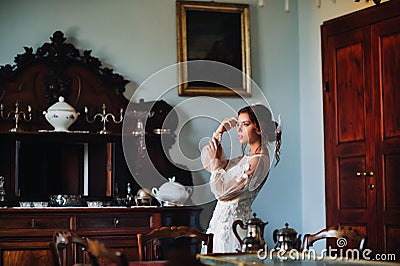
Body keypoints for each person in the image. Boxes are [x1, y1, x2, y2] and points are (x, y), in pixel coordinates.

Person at [201, 104, 281, 253]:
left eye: (245, 124)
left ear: (259, 128)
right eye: (238, 124)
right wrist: (218, 133)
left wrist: (216, 166)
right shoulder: (247, 158)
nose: (239, 130)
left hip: (234, 230)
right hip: (220, 225)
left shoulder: (259, 160)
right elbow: (211, 163)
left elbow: (222, 193)